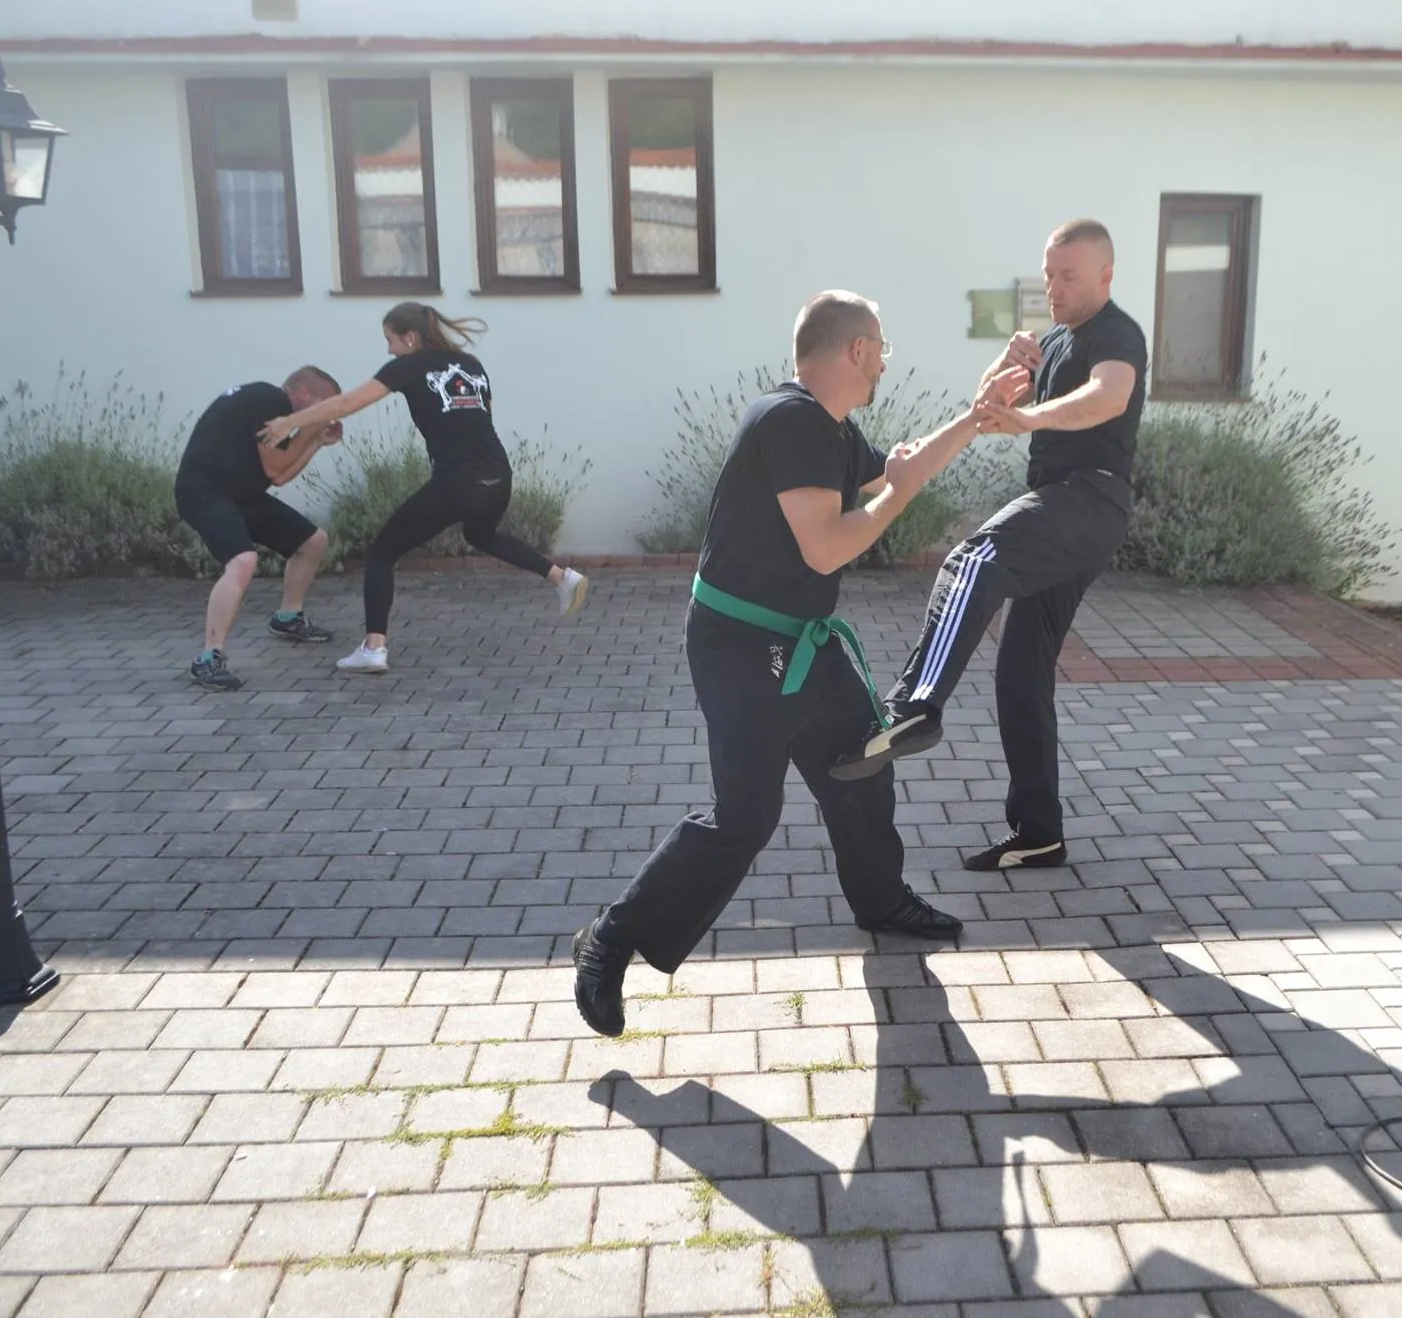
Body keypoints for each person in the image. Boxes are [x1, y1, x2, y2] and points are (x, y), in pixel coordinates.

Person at [571, 291, 985, 1037]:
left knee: (861, 764)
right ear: (855, 349)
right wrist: (902, 495)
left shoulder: (827, 426)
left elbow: (898, 466)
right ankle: (611, 937)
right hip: (739, 646)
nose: (887, 361)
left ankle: (882, 901)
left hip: (801, 640)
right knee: (746, 816)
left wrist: (977, 415)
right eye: (881, 347)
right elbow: (828, 545)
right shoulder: (790, 421)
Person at [830, 219, 1147, 877]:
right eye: (1050, 273)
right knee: (1021, 672)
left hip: (1089, 498)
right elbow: (985, 406)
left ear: (1105, 277)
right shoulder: (1053, 341)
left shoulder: (1116, 332)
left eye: (1070, 275)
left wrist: (1029, 417)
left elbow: (1108, 396)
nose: (1055, 287)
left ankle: (915, 706)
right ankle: (1038, 832)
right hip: (1067, 509)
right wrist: (1004, 367)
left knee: (974, 558)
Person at [256, 302, 589, 673]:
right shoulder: (472, 366)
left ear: (410, 337)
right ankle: (563, 578)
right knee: (481, 535)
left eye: (390, 340)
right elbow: (482, 417)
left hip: (457, 480)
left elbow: (348, 402)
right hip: (497, 475)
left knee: (382, 551)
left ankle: (373, 648)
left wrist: (291, 422)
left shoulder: (408, 366)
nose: (388, 350)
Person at [174, 367, 346, 691]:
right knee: (243, 560)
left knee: (312, 542)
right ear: (304, 396)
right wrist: (311, 428)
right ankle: (208, 658)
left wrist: (316, 441)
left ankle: (287, 619)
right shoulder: (270, 400)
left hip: (241, 496)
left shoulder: (271, 408)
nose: (327, 415)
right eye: (324, 406)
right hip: (204, 493)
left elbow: (279, 477)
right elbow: (275, 466)